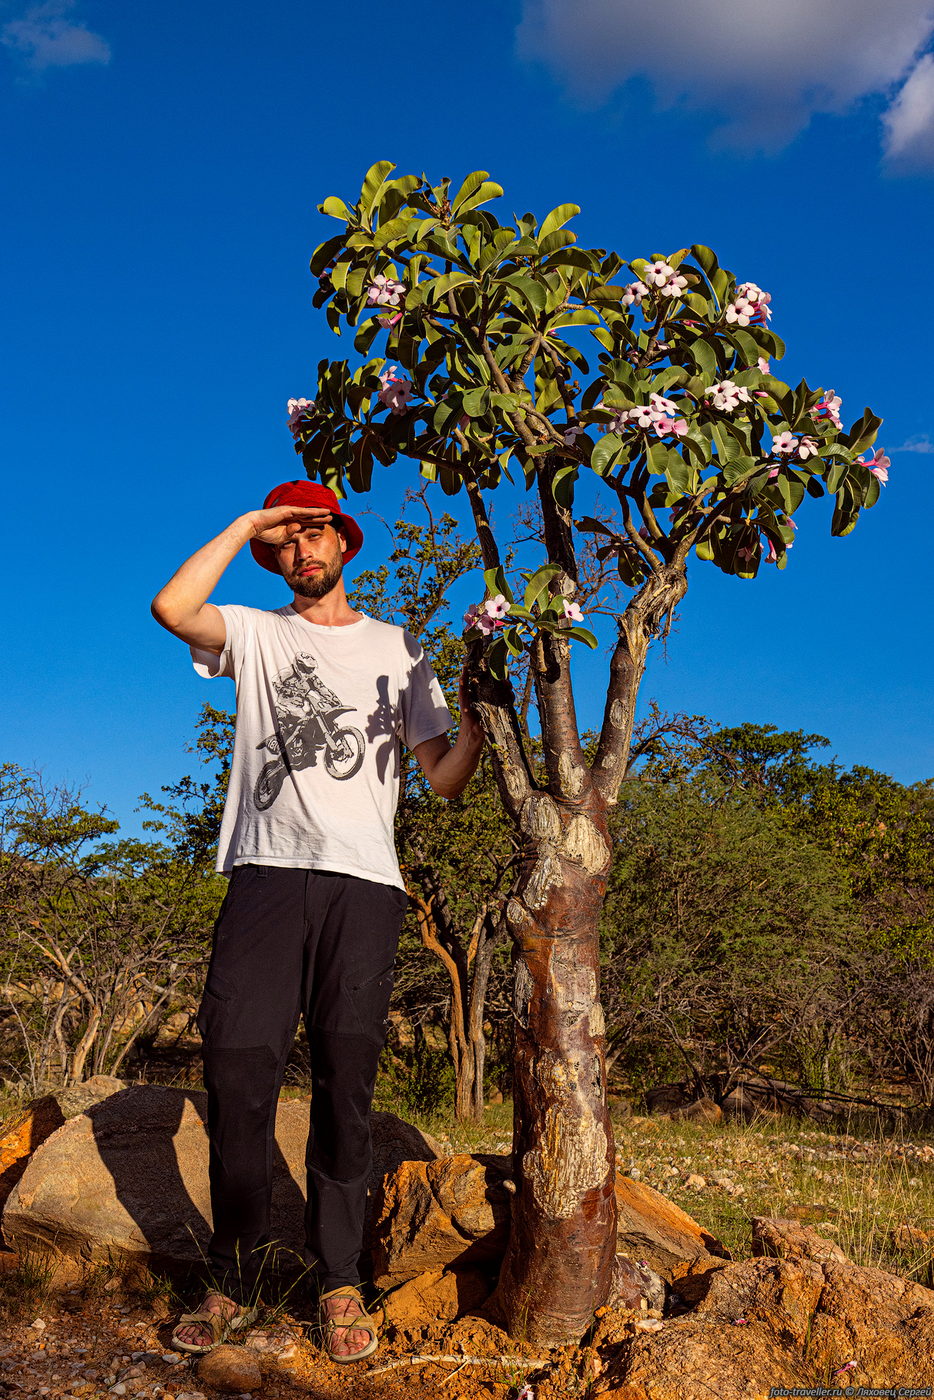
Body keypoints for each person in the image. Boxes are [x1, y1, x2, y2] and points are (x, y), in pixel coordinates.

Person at [150, 479, 484, 1362]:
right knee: (237, 1073)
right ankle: (235, 1273)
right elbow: (171, 605)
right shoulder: (257, 634)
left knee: (347, 1079)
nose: (301, 552)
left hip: (365, 885)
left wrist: (484, 717)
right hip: (264, 875)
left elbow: (443, 778)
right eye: (285, 541)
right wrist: (246, 522)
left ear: (344, 542)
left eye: (314, 535)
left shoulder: (399, 648)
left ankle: (339, 1279)